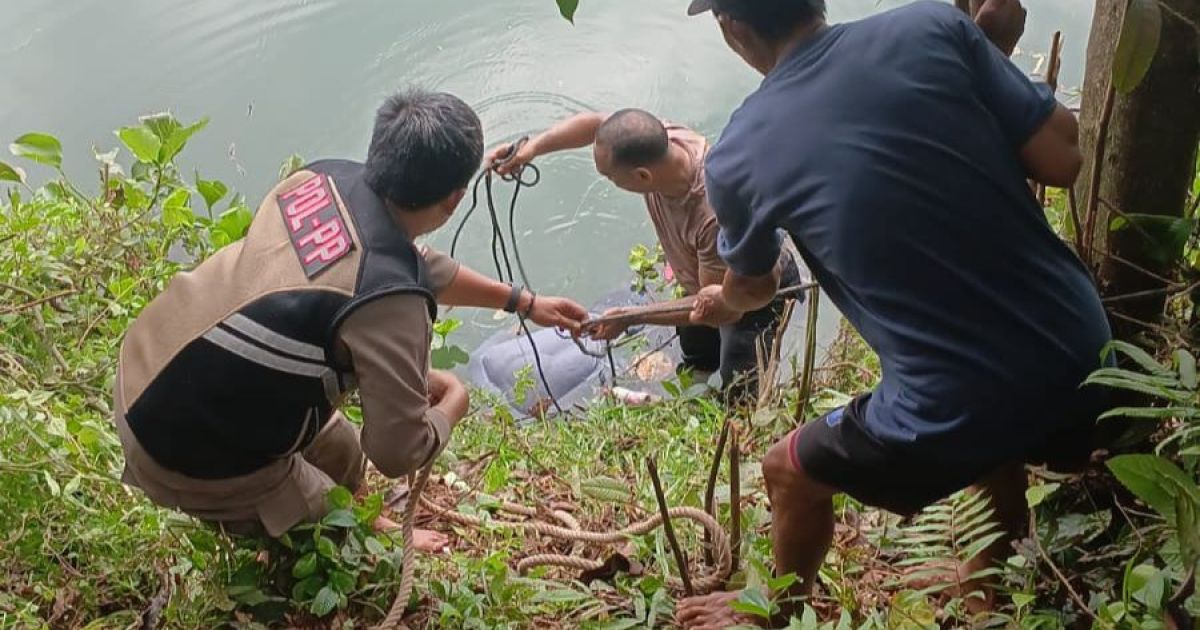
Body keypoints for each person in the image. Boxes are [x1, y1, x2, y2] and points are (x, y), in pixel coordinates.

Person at [677, 0, 1110, 626]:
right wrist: (989, 54)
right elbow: (1062, 161)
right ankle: (986, 579)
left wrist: (720, 301)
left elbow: (754, 290)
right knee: (983, 393)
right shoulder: (932, 26)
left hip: (961, 401)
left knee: (789, 470)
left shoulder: (737, 153)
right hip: (1084, 355)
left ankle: (772, 607)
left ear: (733, 30)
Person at [112, 89, 588, 550]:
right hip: (172, 443)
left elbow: (417, 266)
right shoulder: (389, 301)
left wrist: (523, 302)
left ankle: (359, 507)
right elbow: (398, 452)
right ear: (455, 198)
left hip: (149, 359)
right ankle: (356, 530)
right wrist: (455, 404)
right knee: (325, 526)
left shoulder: (321, 181)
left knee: (339, 449)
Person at [487, 110, 802, 402]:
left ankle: (732, 431)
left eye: (612, 177)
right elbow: (597, 127)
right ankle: (697, 397)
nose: (611, 181)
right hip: (702, 284)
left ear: (642, 177)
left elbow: (719, 309)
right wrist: (533, 148)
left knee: (740, 384)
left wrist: (629, 317)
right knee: (696, 353)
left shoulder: (710, 216)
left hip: (748, 294)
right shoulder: (660, 140)